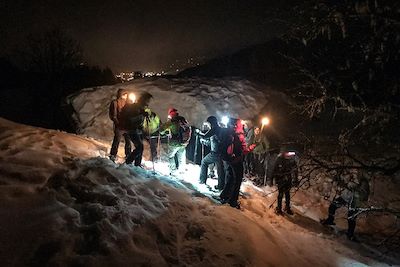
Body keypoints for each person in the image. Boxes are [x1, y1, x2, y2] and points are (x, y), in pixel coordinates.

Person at [219, 118, 255, 209]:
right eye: (240, 123)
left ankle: (225, 195)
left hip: (228, 159)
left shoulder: (227, 132)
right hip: (236, 160)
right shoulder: (239, 135)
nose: (242, 125)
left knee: (230, 176)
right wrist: (251, 148)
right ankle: (233, 200)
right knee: (237, 179)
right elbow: (242, 150)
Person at [320, 177, 370, 241]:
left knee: (351, 218)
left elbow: (363, 195)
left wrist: (353, 188)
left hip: (355, 202)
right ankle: (330, 220)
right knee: (333, 206)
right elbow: (349, 185)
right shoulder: (358, 179)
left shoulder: (364, 183)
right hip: (347, 197)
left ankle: (350, 234)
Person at [120, 92, 153, 166]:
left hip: (138, 130)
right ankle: (128, 162)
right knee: (139, 147)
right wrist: (141, 114)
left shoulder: (142, 108)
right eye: (148, 100)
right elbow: (131, 119)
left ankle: (137, 164)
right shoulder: (135, 107)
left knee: (140, 148)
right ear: (144, 100)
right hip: (132, 129)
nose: (149, 102)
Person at [159, 108, 192, 174]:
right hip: (183, 142)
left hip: (174, 143)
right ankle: (182, 171)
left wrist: (166, 131)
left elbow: (161, 131)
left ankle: (173, 170)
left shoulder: (171, 121)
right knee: (181, 157)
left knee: (170, 156)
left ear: (171, 114)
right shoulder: (183, 119)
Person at [196, 116, 225, 189]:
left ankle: (202, 180)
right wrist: (205, 142)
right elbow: (213, 142)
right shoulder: (220, 129)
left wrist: (198, 133)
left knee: (204, 162)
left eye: (208, 123)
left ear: (211, 123)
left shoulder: (214, 129)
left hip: (215, 153)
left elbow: (205, 136)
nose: (208, 125)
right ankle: (221, 185)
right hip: (221, 152)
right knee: (220, 170)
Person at [272, 149, 299, 215]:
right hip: (280, 179)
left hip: (288, 179)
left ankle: (287, 207)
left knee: (287, 193)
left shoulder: (291, 160)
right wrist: (273, 178)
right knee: (280, 194)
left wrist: (295, 179)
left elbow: (295, 169)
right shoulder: (279, 159)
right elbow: (275, 169)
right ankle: (279, 208)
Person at [109, 88, 131, 162]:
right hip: (119, 126)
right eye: (125, 94)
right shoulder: (115, 102)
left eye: (126, 94)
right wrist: (117, 122)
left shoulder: (127, 103)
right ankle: (113, 154)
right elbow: (113, 115)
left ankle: (128, 155)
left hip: (126, 126)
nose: (126, 96)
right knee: (117, 140)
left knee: (128, 141)